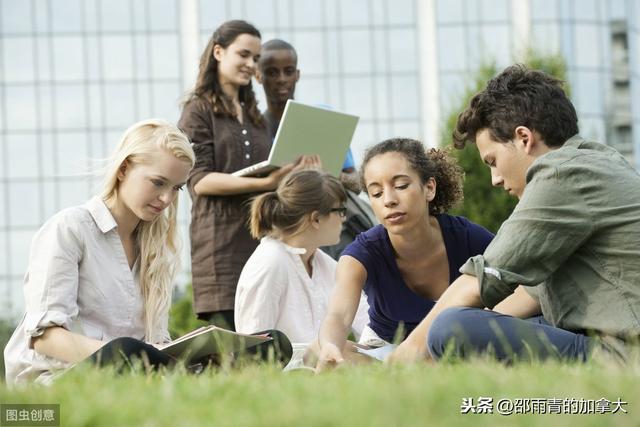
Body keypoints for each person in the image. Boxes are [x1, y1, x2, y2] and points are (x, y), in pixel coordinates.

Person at [388, 64, 640, 364]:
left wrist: (404, 355)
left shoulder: (562, 173)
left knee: (449, 327)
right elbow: (529, 295)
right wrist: (481, 329)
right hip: (602, 339)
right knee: (467, 327)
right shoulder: (598, 160)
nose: (495, 179)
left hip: (624, 355)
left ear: (523, 138)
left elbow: (482, 279)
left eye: (492, 161)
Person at [4, 119, 195, 384]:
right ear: (124, 169)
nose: (167, 199)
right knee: (128, 350)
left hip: (126, 378)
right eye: (158, 182)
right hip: (52, 383)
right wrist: (130, 356)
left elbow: (154, 343)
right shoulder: (70, 228)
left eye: (176, 188)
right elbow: (44, 338)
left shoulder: (155, 247)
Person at [316, 139, 495, 368]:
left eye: (400, 186)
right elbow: (339, 315)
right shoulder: (360, 254)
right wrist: (330, 344)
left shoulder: (467, 237)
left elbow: (515, 282)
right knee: (316, 349)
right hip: (386, 351)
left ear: (429, 188)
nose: (389, 200)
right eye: (377, 193)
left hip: (453, 346)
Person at [179, 21, 297, 330]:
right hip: (219, 244)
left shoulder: (255, 114)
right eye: (243, 54)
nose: (251, 64)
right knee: (229, 341)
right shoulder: (197, 111)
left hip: (260, 240)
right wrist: (264, 183)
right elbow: (200, 181)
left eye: (256, 58)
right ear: (218, 52)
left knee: (266, 338)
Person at [256, 38, 376, 259]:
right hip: (289, 237)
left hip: (336, 233)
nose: (281, 79)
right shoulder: (254, 132)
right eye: (272, 72)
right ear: (258, 76)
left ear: (297, 75)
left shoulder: (324, 119)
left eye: (288, 71)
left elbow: (357, 184)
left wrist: (327, 175)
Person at [234, 169, 369, 343]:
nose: (344, 219)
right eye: (340, 210)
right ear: (315, 219)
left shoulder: (322, 262)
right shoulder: (270, 262)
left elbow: (366, 319)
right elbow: (254, 346)